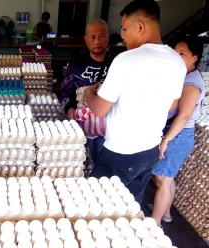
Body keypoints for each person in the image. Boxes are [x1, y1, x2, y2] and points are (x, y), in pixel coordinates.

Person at [83, 0, 187, 203]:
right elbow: (171, 106)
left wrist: (89, 94)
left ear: (140, 27)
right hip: (150, 151)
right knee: (129, 209)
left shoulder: (126, 60)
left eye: (124, 29)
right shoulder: (177, 61)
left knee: (94, 206)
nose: (122, 36)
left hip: (122, 152)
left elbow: (99, 109)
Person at [150, 37, 205, 227]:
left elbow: (183, 116)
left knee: (162, 179)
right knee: (167, 176)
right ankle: (165, 212)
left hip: (179, 134)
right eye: (175, 52)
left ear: (195, 57)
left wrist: (166, 139)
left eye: (182, 54)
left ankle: (155, 223)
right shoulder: (183, 75)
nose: (176, 57)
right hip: (177, 133)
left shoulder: (191, 83)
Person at [57, 18, 116, 165]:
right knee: (82, 163)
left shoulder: (116, 63)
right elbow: (66, 90)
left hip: (110, 127)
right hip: (82, 124)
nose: (97, 41)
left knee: (105, 166)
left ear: (108, 37)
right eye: (92, 37)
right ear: (86, 39)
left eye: (102, 36)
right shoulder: (77, 64)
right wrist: (68, 107)